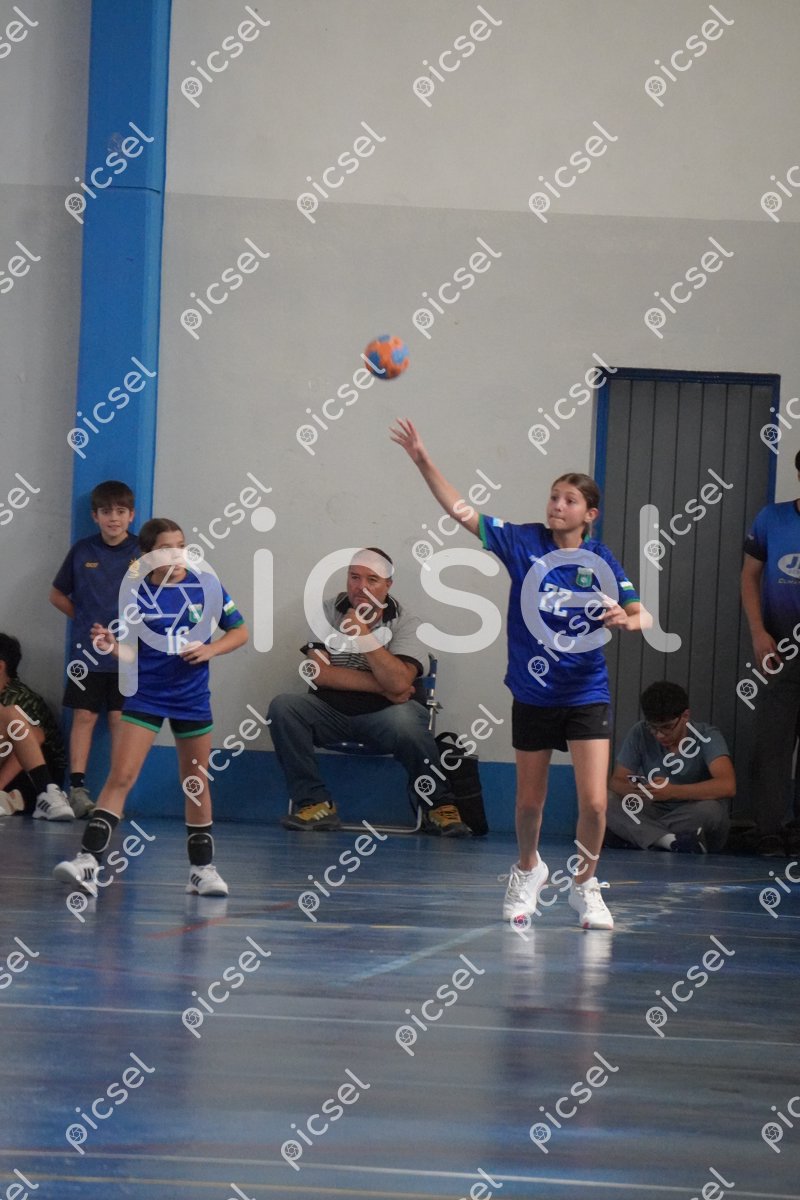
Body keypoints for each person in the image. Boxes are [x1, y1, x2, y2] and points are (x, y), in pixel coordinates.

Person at [391, 417, 650, 929]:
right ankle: (528, 869)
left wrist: (626, 618)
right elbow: (462, 511)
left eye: (569, 500)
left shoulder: (600, 559)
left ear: (589, 514)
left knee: (596, 803)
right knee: (530, 802)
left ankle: (585, 885)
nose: (557, 505)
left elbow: (642, 614)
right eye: (553, 497)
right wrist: (423, 460)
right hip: (534, 692)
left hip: (586, 691)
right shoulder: (522, 542)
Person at [53, 518, 248, 897]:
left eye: (181, 545)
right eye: (165, 548)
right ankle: (88, 862)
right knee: (121, 776)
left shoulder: (207, 586)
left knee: (195, 783)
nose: (176, 555)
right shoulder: (134, 594)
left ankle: (201, 870)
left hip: (191, 697)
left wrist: (211, 649)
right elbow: (131, 651)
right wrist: (111, 646)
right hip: (145, 695)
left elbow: (240, 632)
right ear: (146, 555)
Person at [268, 546, 471, 837]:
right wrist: (384, 687)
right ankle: (314, 803)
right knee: (284, 707)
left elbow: (400, 682)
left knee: (408, 723)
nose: (361, 587)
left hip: (388, 715)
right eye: (354, 577)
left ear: (388, 585)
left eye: (372, 579)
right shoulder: (327, 611)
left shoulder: (407, 623)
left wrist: (364, 636)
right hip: (331, 712)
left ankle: (437, 805)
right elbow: (319, 674)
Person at [50, 480, 139, 818]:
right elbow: (57, 594)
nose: (113, 518)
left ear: (131, 516)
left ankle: (114, 796)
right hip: (86, 655)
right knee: (84, 716)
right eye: (106, 512)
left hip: (126, 655)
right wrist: (85, 619)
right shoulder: (82, 550)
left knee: (119, 719)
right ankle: (76, 790)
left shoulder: (142, 553)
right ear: (95, 516)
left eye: (120, 511)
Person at [741, 450, 800, 856]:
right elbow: (750, 576)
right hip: (779, 646)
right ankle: (769, 830)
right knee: (773, 742)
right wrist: (759, 632)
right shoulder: (772, 518)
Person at [606, 681, 734, 853]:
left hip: (691, 811)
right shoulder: (639, 732)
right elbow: (616, 781)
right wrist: (639, 791)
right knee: (606, 800)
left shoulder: (707, 736)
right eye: (653, 728)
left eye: (667, 728)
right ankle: (671, 841)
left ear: (685, 716)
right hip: (654, 808)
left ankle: (637, 836)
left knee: (711, 811)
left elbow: (727, 785)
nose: (659, 735)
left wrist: (672, 791)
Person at [0, 633, 70, 819]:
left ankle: (45, 794)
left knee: (13, 719)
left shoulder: (16, 697)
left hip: (33, 775)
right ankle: (9, 800)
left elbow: (36, 737)